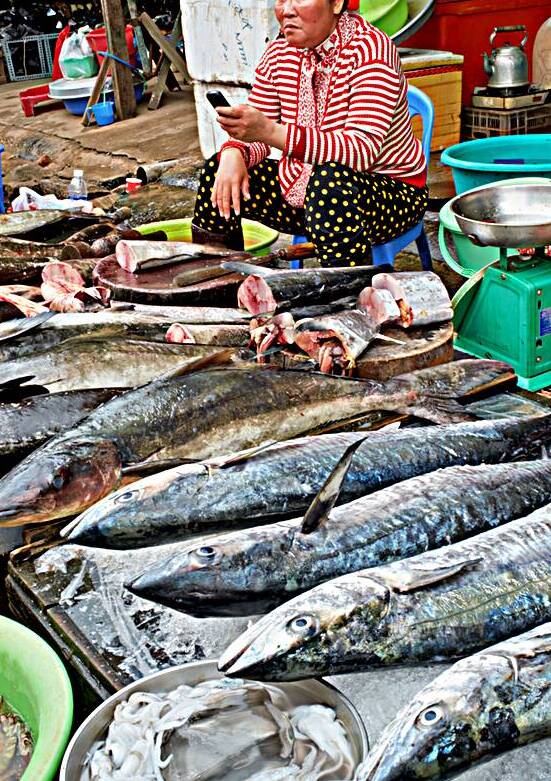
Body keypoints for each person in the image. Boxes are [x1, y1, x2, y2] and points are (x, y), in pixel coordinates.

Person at [192, 0, 428, 267]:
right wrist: (236, 151)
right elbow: (257, 127)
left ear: (337, 3)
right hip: (306, 190)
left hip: (390, 196)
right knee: (217, 172)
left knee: (329, 183)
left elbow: (360, 151)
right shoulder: (279, 53)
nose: (287, 10)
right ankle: (220, 283)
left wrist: (269, 131)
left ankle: (347, 298)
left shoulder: (371, 50)